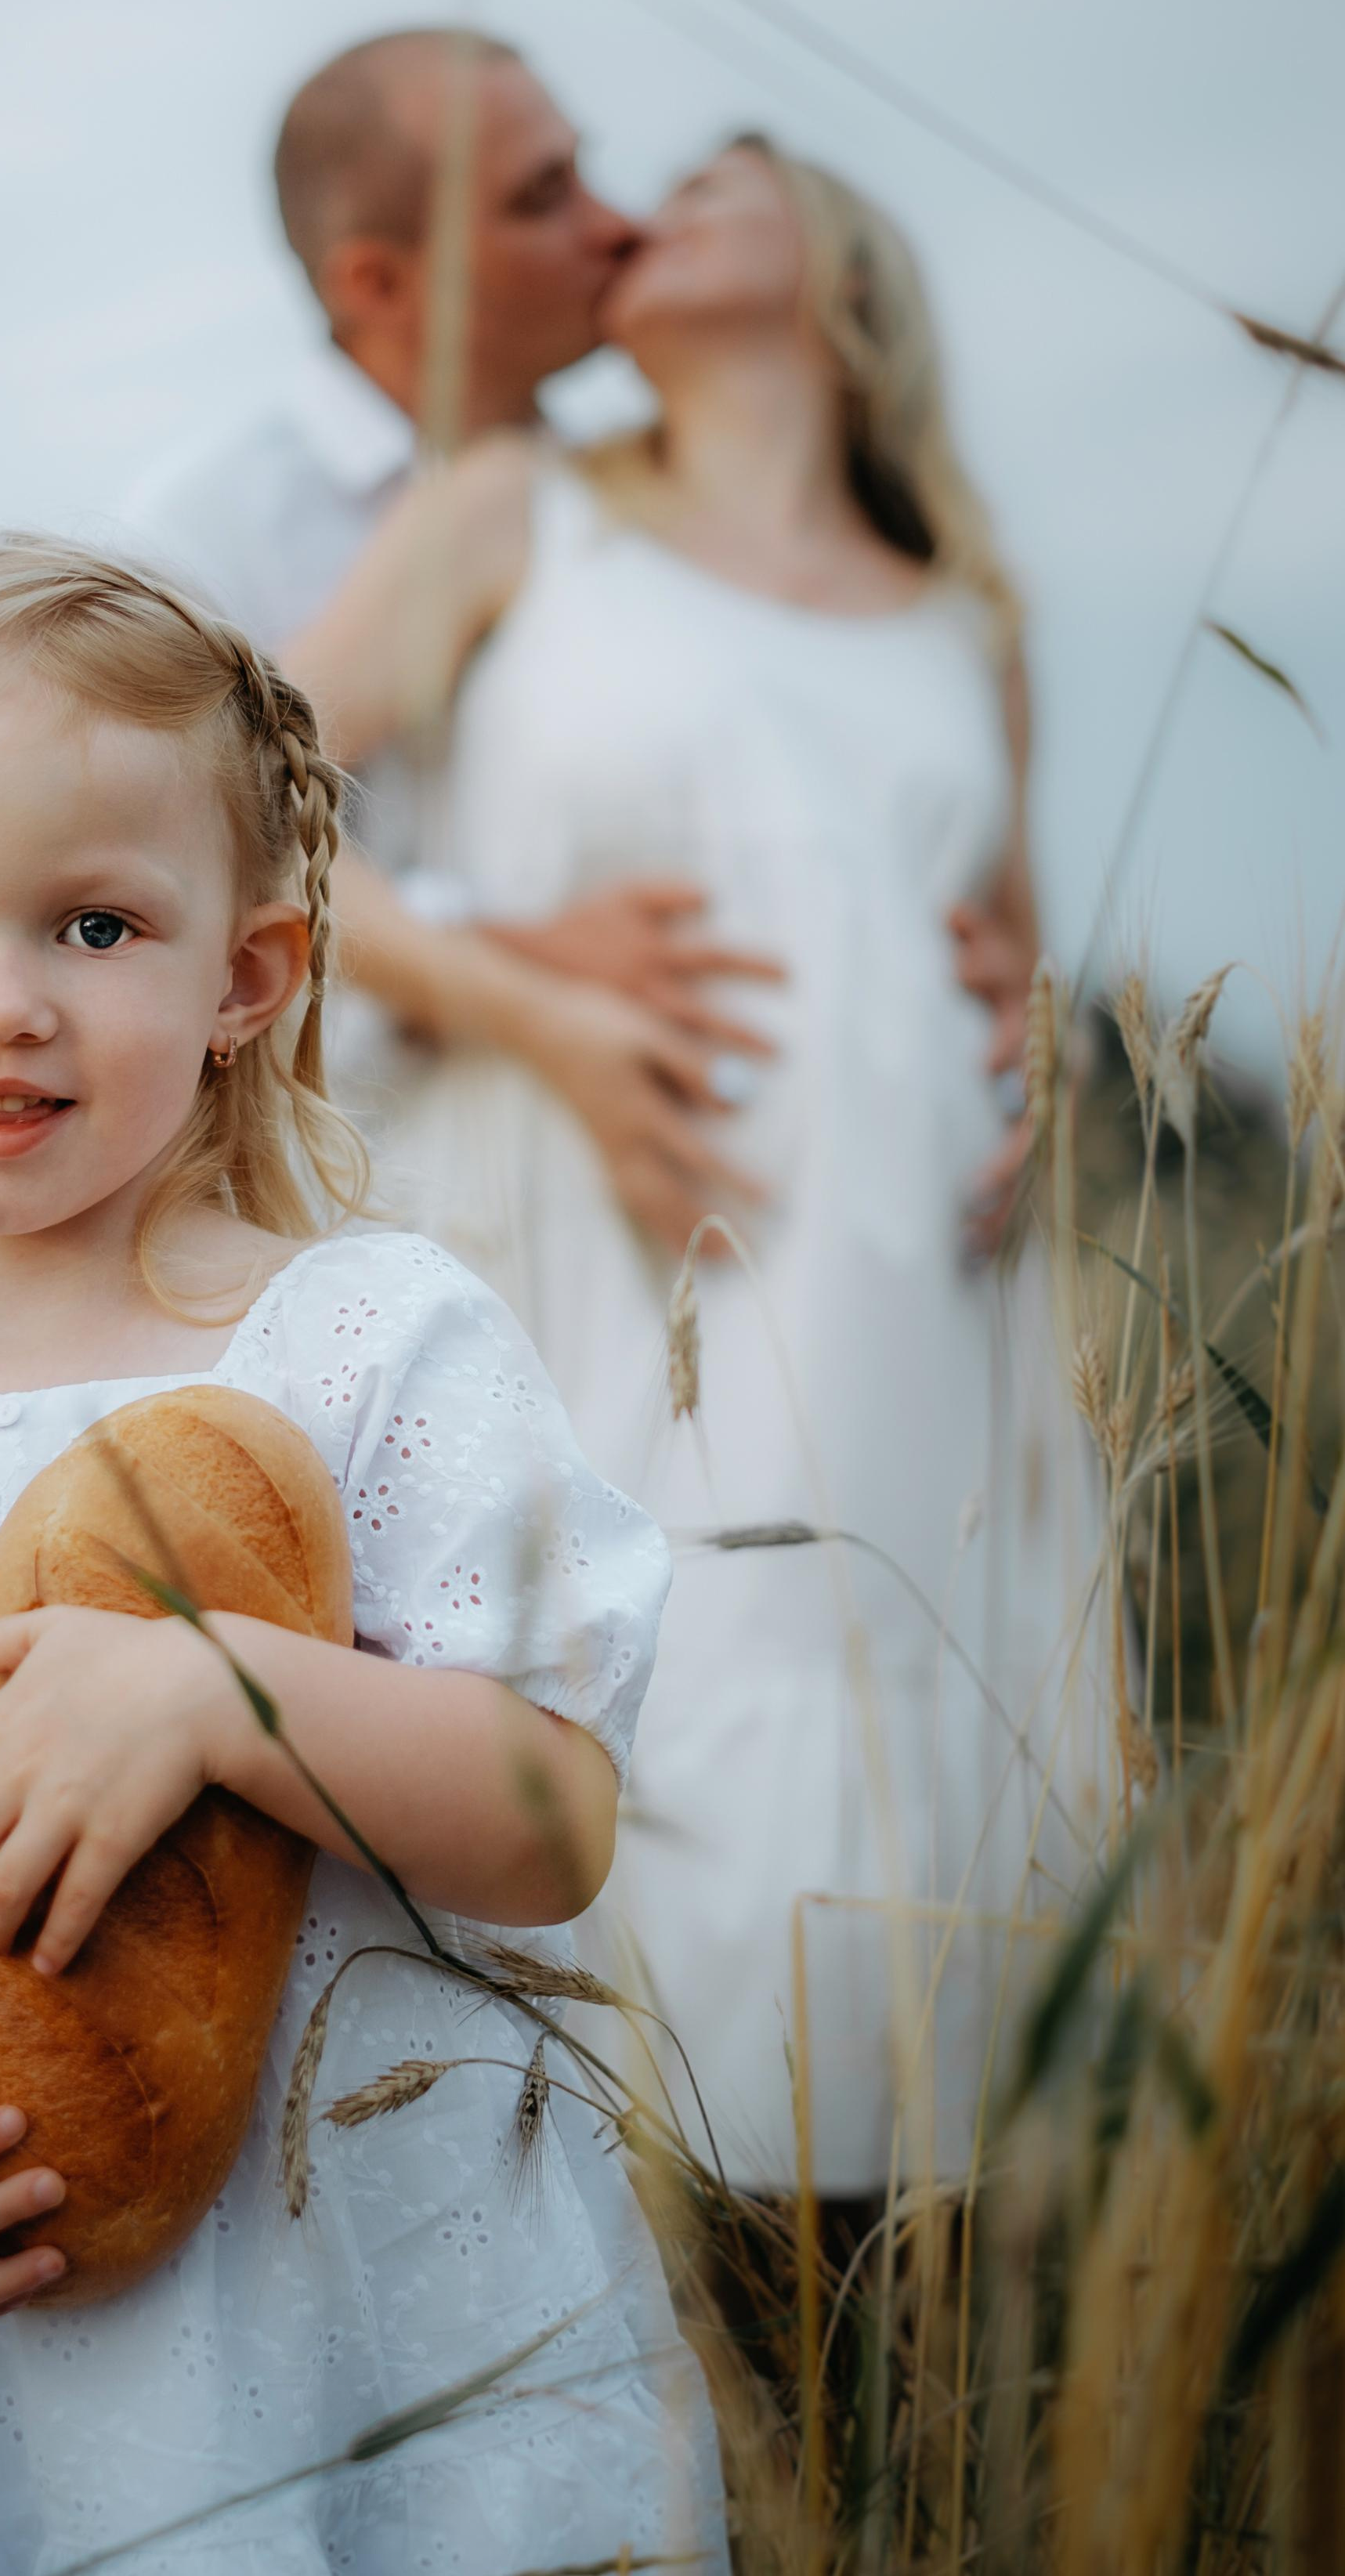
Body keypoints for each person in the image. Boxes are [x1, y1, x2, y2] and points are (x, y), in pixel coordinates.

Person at [0, 537, 728, 2574]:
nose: (0, 1000)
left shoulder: (367, 1345)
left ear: (246, 980)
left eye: (96, 923)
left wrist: (226, 1696)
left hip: (384, 2318)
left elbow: (550, 1816)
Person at [281, 137, 1108, 2195]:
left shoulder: (968, 613)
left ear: (841, 272)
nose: (655, 196)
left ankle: (889, 2273)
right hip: (609, 1231)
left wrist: (1044, 1065)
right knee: (656, 1676)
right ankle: (615, 2221)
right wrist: (526, 995)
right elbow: (241, 798)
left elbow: (1008, 944)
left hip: (920, 1292)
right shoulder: (516, 512)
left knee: (907, 1712)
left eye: (723, 173)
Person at [121, 26, 784, 1261]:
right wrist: (511, 948)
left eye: (585, 170)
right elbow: (158, 870)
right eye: (542, 198)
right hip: (363, 1215)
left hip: (703, 1165)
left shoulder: (643, 506)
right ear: (377, 284)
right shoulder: (199, 536)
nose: (616, 226)